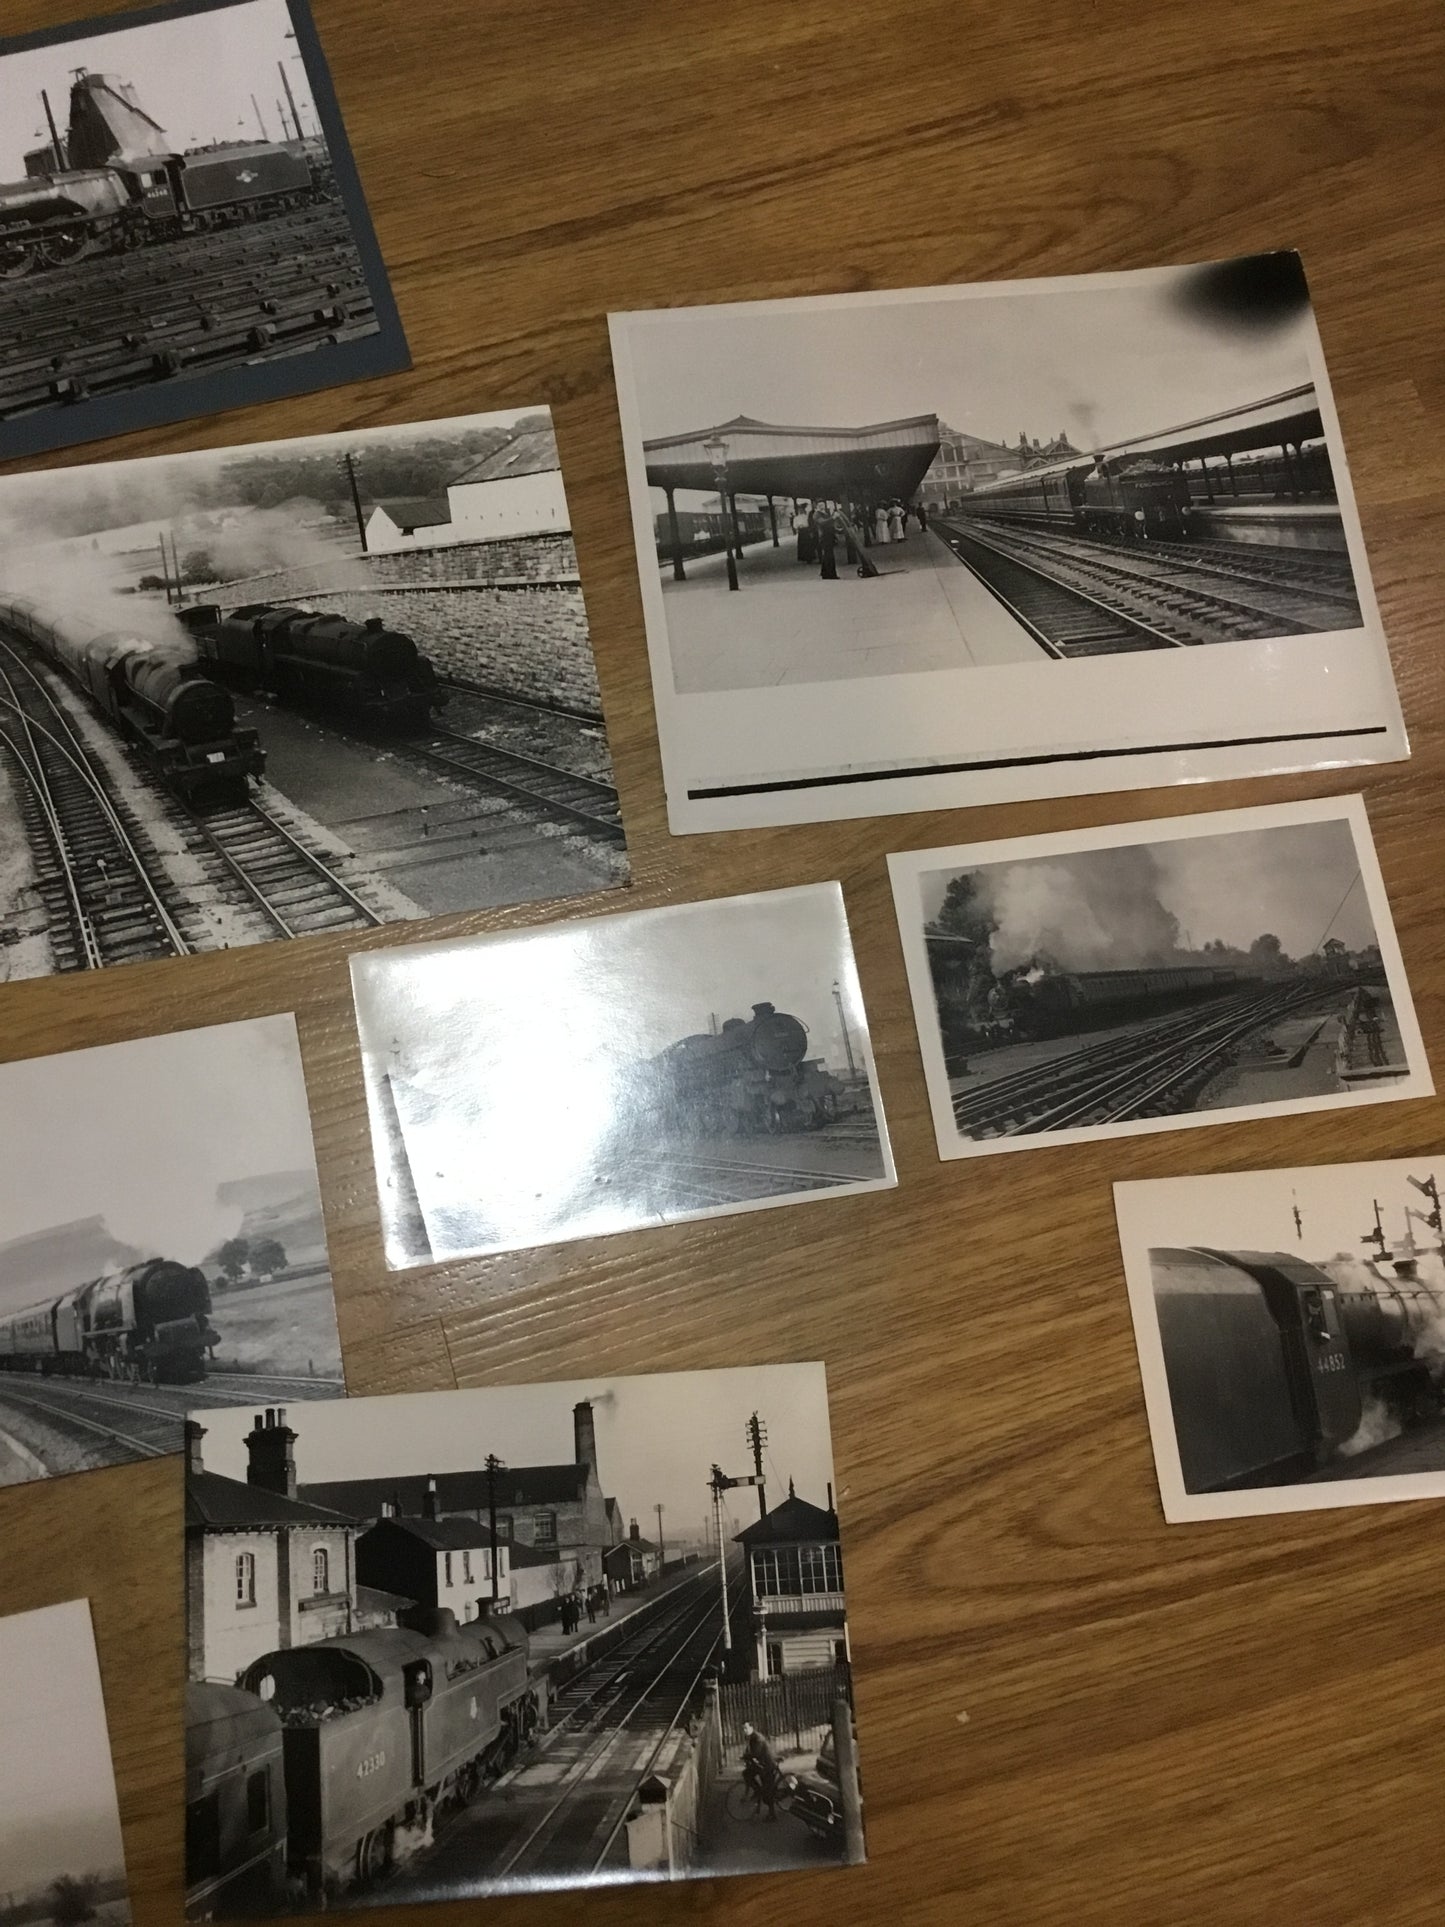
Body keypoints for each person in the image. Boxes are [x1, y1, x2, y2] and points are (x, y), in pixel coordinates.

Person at [741, 1723, 781, 1818]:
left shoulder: (757, 1738)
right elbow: (749, 1751)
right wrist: (746, 1756)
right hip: (760, 1765)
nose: (744, 1731)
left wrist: (746, 1756)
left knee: (767, 1791)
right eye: (743, 1729)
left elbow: (756, 1753)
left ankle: (772, 1814)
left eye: (746, 1728)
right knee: (747, 1774)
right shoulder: (751, 1738)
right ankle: (757, 1791)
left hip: (767, 1765)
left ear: (752, 1728)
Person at [813, 501, 838, 580]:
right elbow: (822, 523)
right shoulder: (816, 514)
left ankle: (825, 573)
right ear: (816, 506)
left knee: (827, 555)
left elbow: (829, 524)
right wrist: (833, 518)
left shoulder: (824, 514)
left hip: (828, 536)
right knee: (829, 555)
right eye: (820, 505)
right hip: (824, 537)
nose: (822, 506)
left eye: (823, 504)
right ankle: (831, 574)